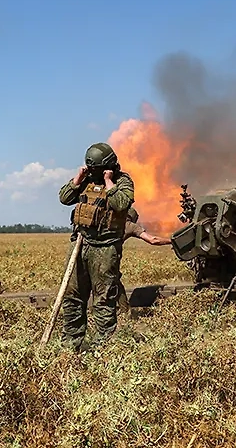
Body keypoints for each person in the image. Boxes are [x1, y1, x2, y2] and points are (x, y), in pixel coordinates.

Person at [57, 142, 134, 352]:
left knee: (103, 298)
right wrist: (78, 179)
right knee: (73, 296)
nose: (94, 172)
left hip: (105, 248)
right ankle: (71, 344)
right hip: (80, 244)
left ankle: (103, 346)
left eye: (97, 169)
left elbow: (121, 203)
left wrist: (109, 182)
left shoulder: (122, 181)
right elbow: (64, 198)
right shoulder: (86, 180)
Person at [116, 206, 172, 314]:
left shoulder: (110, 222)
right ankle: (123, 312)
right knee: (113, 281)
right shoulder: (130, 226)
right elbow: (153, 240)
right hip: (109, 258)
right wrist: (171, 241)